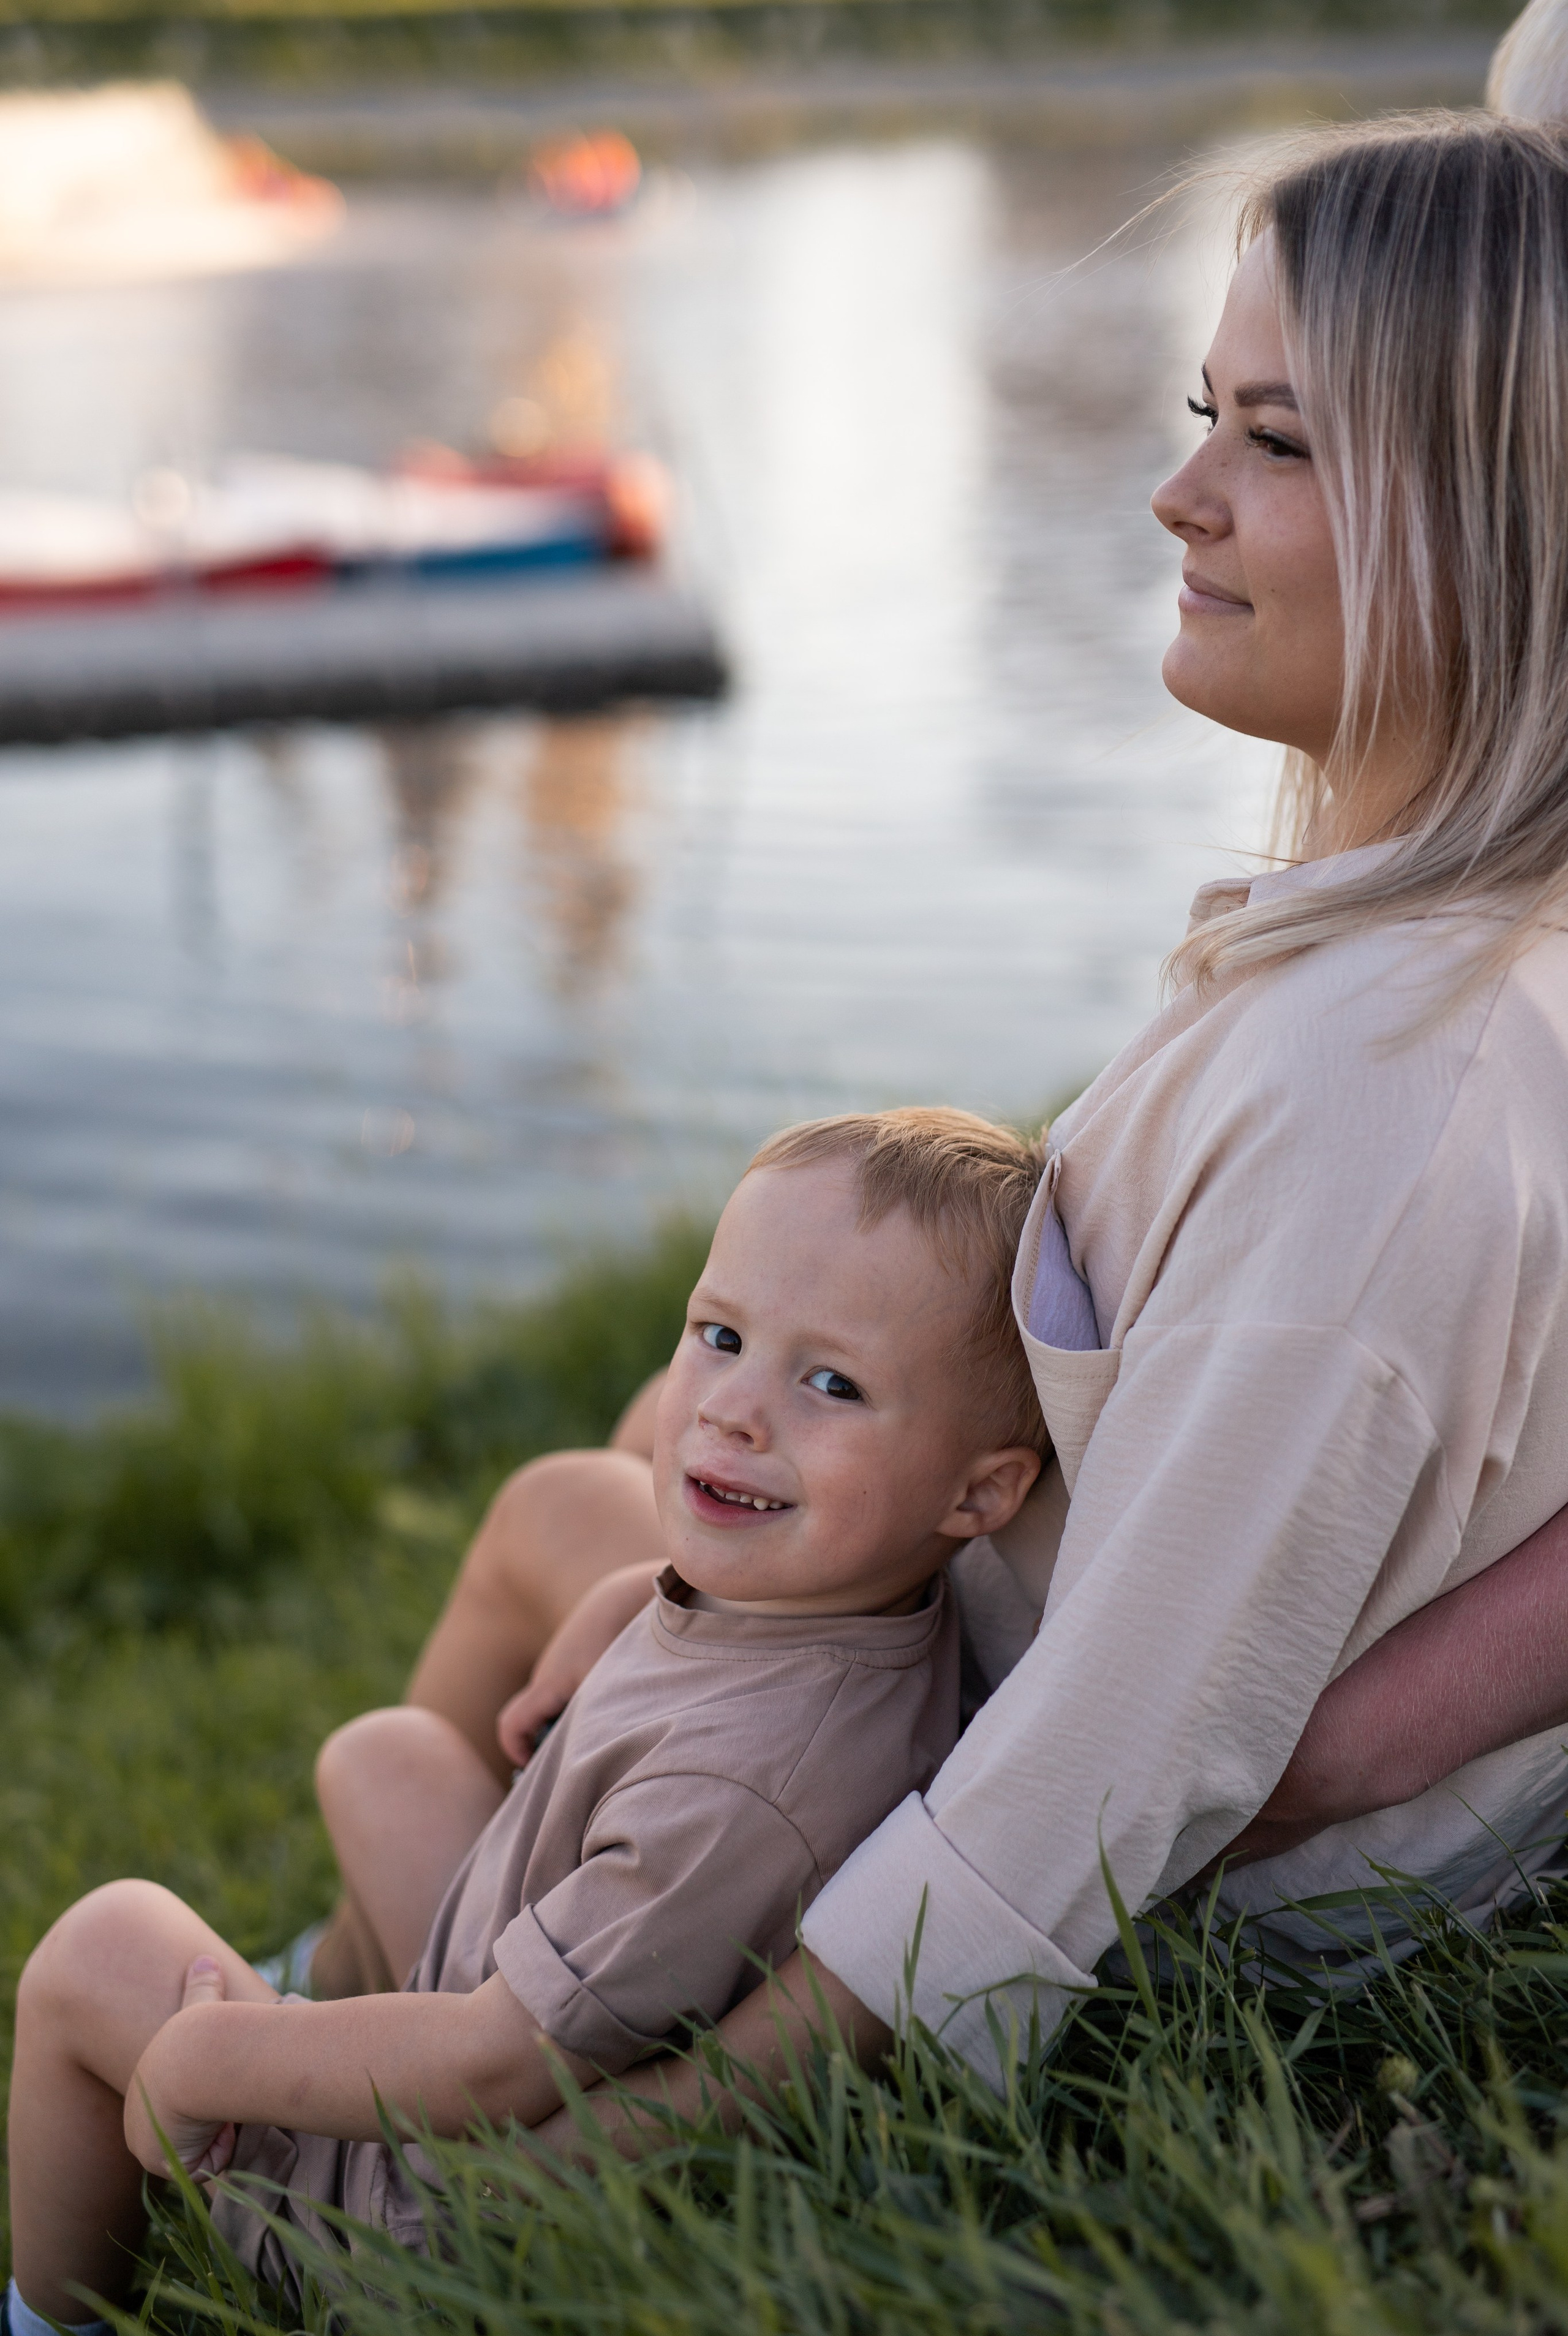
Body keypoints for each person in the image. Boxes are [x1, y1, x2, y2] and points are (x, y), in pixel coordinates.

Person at [323, 108, 1568, 2144]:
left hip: (1147, 1895)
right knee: (600, 1495)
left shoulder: (1382, 1107)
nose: (1177, 496)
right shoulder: (1422, 961)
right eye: (1201, 415)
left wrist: (664, 2133)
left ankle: (389, 2050)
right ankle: (424, 1950)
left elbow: (1108, 1757)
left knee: (439, 1686)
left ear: (1507, 521)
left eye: (1278, 442)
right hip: (1041, 1680)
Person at [7, 1108, 1050, 2332]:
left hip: (409, 2210)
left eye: (831, 1382)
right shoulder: (849, 1601)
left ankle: (54, 2319)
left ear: (981, 1490)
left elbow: (492, 2065)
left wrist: (203, 2067)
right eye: (719, 1335)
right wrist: (628, 1594)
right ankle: (319, 2015)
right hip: (519, 2011)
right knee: (386, 1758)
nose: (729, 1409)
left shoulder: (741, 1790)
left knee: (98, 1947)